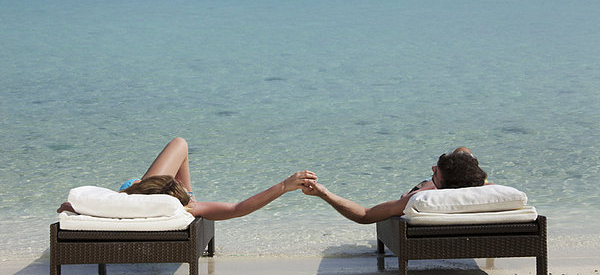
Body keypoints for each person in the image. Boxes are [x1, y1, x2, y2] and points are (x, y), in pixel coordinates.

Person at [57, 137, 317, 221]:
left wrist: (75, 210)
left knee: (180, 144)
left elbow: (92, 205)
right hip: (154, 193)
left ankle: (159, 187)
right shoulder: (187, 207)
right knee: (181, 143)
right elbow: (239, 209)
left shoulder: (121, 201)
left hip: (142, 192)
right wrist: (284, 186)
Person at [301, 147, 487, 224]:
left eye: (436, 171)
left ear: (441, 183)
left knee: (462, 152)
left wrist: (324, 194)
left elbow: (364, 215)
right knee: (463, 151)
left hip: (422, 197)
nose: (432, 167)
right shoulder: (487, 192)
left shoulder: (420, 198)